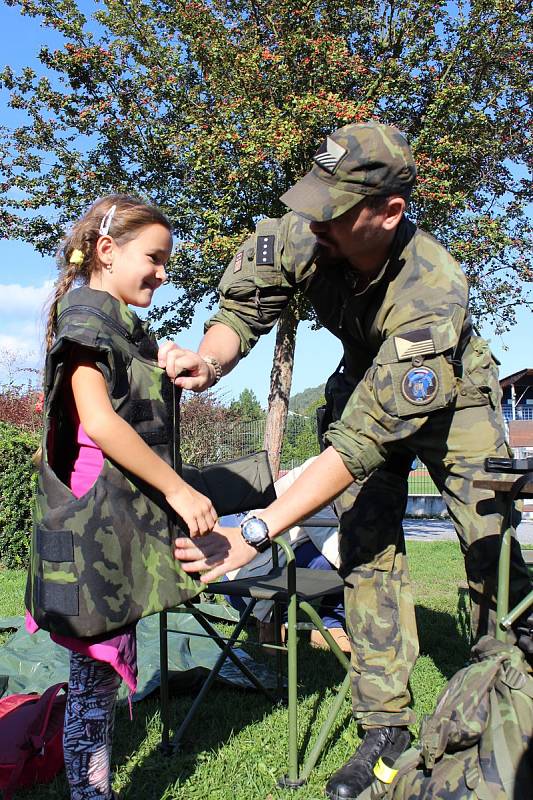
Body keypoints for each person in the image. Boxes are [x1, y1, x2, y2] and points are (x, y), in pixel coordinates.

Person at [162, 121, 533, 800]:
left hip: (453, 400)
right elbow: (243, 306)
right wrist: (208, 358)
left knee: (494, 556)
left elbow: (357, 445)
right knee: (366, 546)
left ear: (389, 212)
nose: (315, 223)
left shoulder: (432, 291)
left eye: (333, 210)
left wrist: (254, 532)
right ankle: (385, 725)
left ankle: (506, 700)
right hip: (363, 377)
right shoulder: (306, 228)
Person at [25, 195, 217, 800]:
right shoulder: (85, 329)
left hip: (114, 521)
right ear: (107, 251)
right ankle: (89, 792)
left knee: (96, 677)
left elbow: (131, 405)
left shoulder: (115, 329)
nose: (163, 272)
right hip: (92, 527)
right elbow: (102, 423)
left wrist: (161, 369)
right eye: (153, 257)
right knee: (91, 678)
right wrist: (179, 489)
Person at [220, 457, 349, 651]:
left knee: (348, 550)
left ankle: (329, 625)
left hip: (252, 577)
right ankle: (272, 621)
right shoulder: (319, 477)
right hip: (244, 587)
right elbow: (332, 543)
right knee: (346, 556)